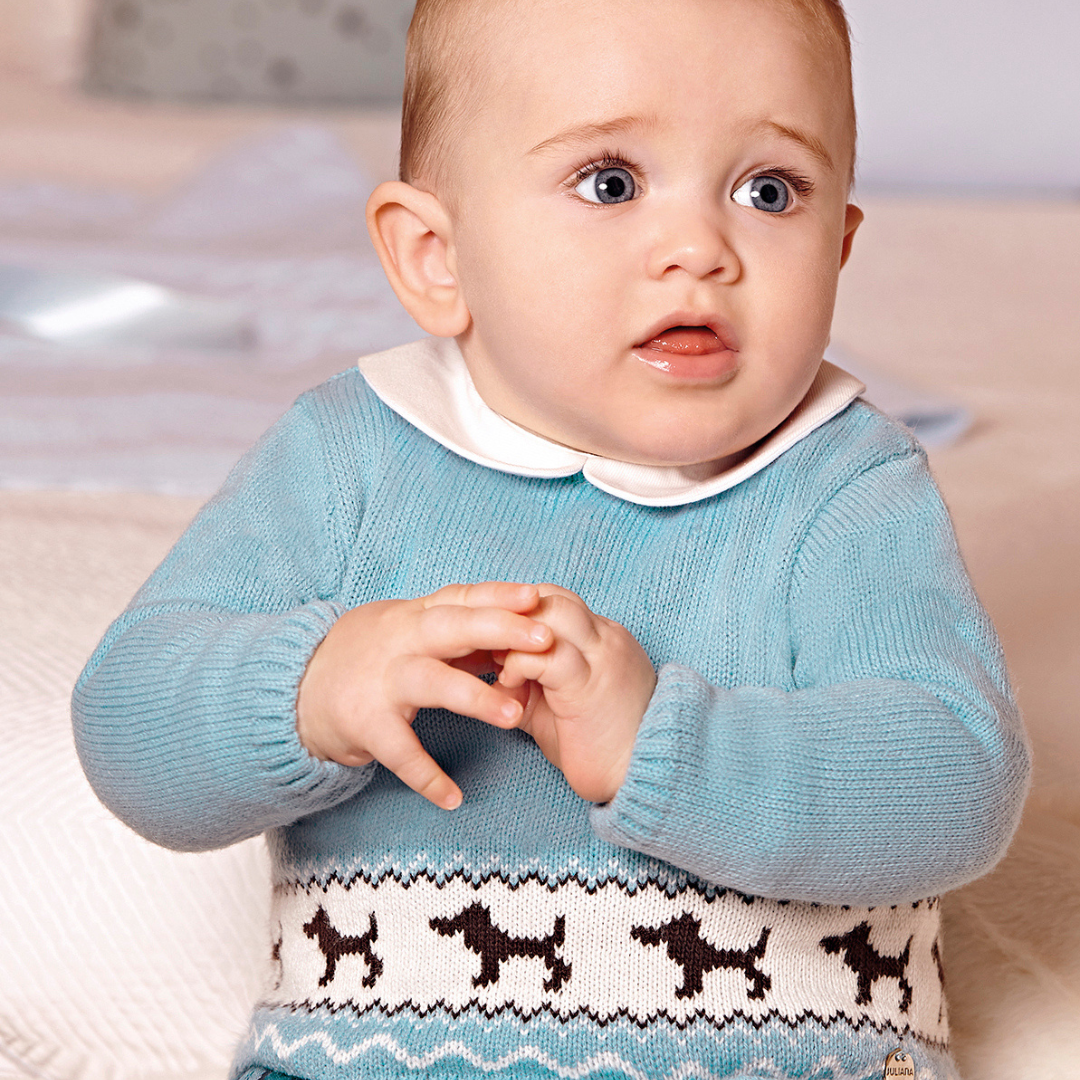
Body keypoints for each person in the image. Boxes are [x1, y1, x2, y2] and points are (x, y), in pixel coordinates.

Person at [72, 0, 1031, 1077]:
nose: (699, 248)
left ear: (840, 245)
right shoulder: (351, 454)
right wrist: (313, 688)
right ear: (436, 256)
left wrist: (660, 745)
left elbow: (958, 781)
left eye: (769, 191)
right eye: (611, 183)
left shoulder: (843, 483)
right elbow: (127, 722)